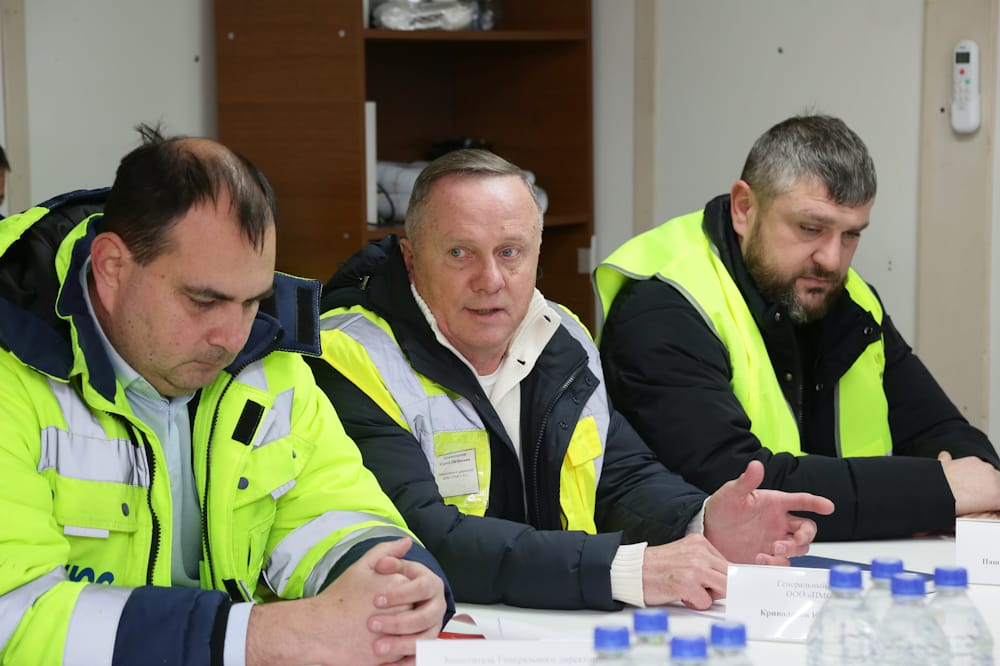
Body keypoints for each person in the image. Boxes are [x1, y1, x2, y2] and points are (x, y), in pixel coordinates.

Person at [306, 148, 834, 612]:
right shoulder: (349, 357)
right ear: (411, 259)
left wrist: (700, 521)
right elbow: (424, 538)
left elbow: (619, 474)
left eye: (510, 252)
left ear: (537, 256)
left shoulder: (561, 338)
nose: (490, 280)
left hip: (554, 630)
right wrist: (618, 570)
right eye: (459, 253)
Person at [0, 125, 452, 665]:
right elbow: (13, 619)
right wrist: (254, 638)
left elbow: (330, 507)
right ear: (112, 267)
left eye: (251, 301)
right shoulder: (12, 374)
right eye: (203, 301)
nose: (232, 336)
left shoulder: (267, 359)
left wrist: (393, 587)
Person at [596, 114, 1000, 542]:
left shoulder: (847, 298)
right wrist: (935, 493)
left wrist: (978, 493)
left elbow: (943, 432)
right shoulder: (662, 308)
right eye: (811, 228)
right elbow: (742, 490)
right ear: (744, 208)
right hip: (708, 576)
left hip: (840, 567)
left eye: (851, 235)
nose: (832, 259)